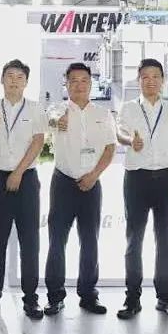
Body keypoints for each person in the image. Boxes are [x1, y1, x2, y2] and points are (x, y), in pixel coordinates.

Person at [114, 58, 168, 320]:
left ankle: (165, 297)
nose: (151, 81)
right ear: (139, 81)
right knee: (134, 240)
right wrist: (129, 141)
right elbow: (120, 133)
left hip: (166, 179)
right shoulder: (128, 108)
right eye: (145, 77)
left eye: (156, 76)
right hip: (136, 180)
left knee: (164, 240)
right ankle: (132, 298)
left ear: (163, 81)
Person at [0, 59, 47, 319]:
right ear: (2, 80)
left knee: (30, 241)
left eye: (19, 77)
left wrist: (18, 172)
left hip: (26, 179)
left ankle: (31, 299)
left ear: (26, 82)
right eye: (10, 76)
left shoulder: (35, 108)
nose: (14, 81)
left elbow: (38, 142)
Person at [43, 62, 117, 316]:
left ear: (91, 83)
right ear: (66, 84)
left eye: (84, 80)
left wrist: (94, 176)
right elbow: (50, 121)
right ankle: (55, 296)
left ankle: (88, 295)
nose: (79, 85)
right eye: (73, 80)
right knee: (57, 241)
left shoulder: (103, 114)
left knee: (90, 241)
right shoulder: (58, 109)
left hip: (92, 184)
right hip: (63, 183)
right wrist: (57, 121)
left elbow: (110, 148)